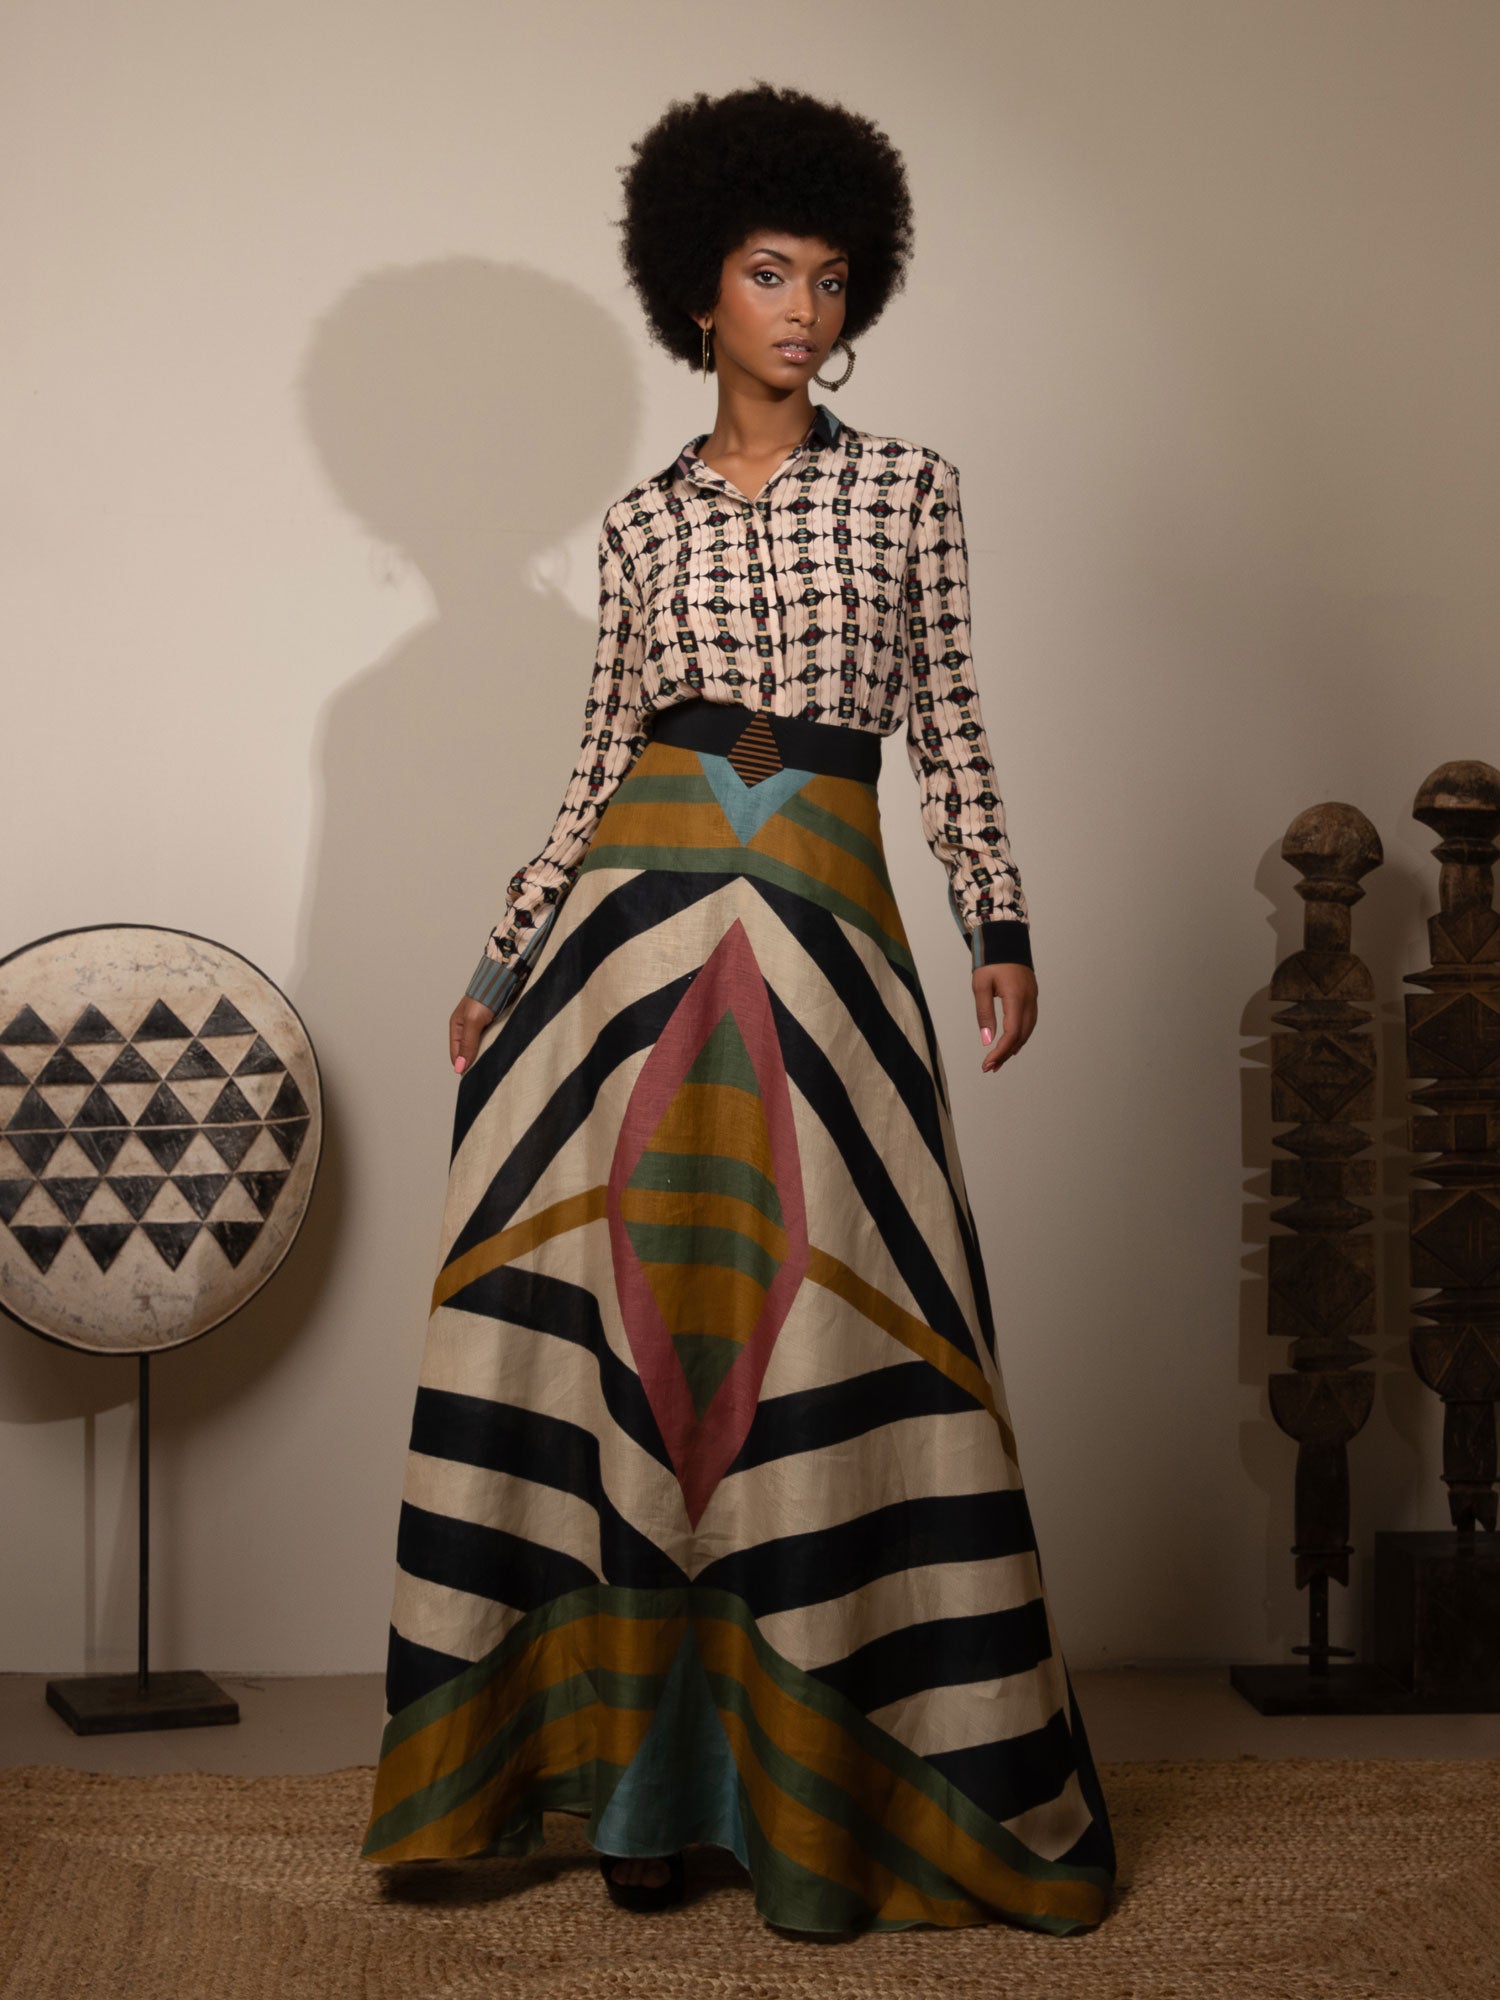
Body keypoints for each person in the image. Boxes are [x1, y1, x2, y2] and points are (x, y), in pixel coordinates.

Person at [360, 80, 1116, 1937]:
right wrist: (495, 958)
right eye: (771, 274)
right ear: (698, 294)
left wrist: (999, 919)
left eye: (834, 278)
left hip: (834, 942)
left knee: (835, 1346)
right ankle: (638, 1791)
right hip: (635, 943)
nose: (807, 309)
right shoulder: (637, 531)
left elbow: (950, 728)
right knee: (639, 1342)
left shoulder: (911, 489)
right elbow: (592, 759)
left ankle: (819, 1795)